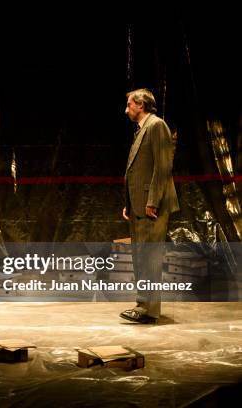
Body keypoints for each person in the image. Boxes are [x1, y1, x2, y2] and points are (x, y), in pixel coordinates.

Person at [120, 88, 179, 323]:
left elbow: (163, 167)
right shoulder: (142, 129)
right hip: (139, 203)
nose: (126, 110)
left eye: (129, 105)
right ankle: (142, 304)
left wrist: (152, 201)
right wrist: (128, 202)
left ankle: (150, 309)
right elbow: (137, 169)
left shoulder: (157, 126)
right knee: (140, 256)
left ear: (141, 105)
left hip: (151, 203)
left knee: (150, 256)